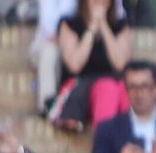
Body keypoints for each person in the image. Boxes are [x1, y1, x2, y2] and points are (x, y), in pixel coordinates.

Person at [54, 0, 131, 131]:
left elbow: (120, 64)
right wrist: (92, 28)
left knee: (124, 90)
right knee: (107, 89)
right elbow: (75, 65)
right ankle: (104, 144)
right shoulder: (68, 23)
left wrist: (104, 26)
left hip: (114, 86)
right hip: (78, 88)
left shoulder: (120, 25)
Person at [32, 0, 73, 114]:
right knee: (50, 52)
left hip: (78, 41)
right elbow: (48, 27)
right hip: (49, 42)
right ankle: (47, 108)